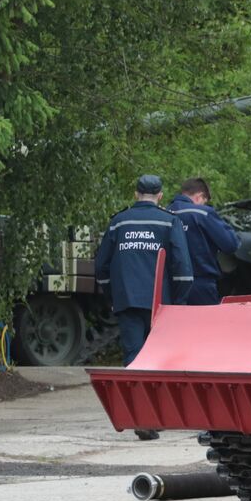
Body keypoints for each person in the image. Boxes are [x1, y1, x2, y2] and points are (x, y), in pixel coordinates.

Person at [94, 174, 192, 439]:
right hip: (160, 304)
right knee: (159, 361)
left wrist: (113, 296)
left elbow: (101, 268)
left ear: (136, 194)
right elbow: (182, 269)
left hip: (127, 301)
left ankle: (140, 417)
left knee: (134, 359)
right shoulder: (169, 221)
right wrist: (178, 303)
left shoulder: (118, 223)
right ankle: (154, 416)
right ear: (160, 195)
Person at [167, 177, 240, 306]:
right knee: (206, 325)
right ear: (200, 196)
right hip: (200, 284)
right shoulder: (203, 213)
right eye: (204, 201)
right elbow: (230, 244)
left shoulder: (164, 213)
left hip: (168, 285)